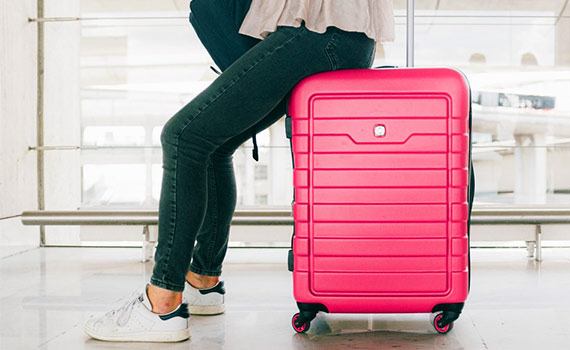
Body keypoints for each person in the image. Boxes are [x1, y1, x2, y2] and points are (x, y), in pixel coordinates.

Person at [84, 0, 394, 342]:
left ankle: (162, 301)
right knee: (214, 145)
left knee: (183, 136)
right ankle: (202, 281)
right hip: (337, 36)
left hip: (319, 33)